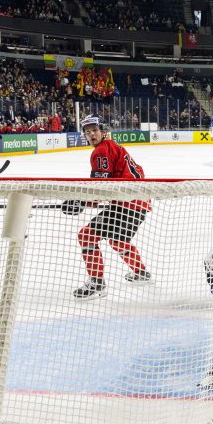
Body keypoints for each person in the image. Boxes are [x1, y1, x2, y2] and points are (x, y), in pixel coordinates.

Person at [66, 115, 151, 300]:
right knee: (117, 240)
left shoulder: (101, 151)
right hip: (139, 202)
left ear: (103, 131)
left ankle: (97, 284)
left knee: (86, 235)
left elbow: (100, 188)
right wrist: (83, 201)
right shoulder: (113, 146)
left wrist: (80, 202)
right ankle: (141, 273)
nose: (92, 135)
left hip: (127, 204)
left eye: (95, 131)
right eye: (88, 133)